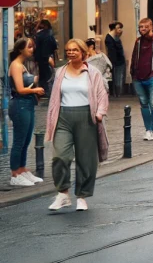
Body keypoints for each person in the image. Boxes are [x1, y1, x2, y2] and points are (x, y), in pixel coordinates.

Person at [45, 39, 109, 212]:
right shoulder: (60, 72)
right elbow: (54, 97)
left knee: (86, 159)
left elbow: (102, 95)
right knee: (60, 156)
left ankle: (82, 196)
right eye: (68, 50)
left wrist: (100, 113)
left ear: (83, 53)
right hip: (63, 117)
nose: (71, 53)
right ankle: (63, 194)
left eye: (75, 50)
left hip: (86, 117)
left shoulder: (92, 72)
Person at [8, 38, 46, 187]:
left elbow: (30, 81)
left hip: (28, 104)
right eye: (29, 47)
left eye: (32, 46)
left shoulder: (23, 65)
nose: (32, 49)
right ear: (20, 49)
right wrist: (35, 90)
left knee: (26, 139)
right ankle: (14, 173)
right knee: (19, 140)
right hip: (19, 104)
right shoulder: (16, 65)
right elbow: (20, 89)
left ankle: (22, 169)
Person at [33, 19, 58, 92]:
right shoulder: (50, 34)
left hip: (40, 60)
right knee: (49, 77)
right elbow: (54, 46)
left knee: (43, 78)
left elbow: (37, 49)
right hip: (48, 58)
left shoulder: (37, 35)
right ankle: (49, 93)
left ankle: (43, 92)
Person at [105, 21, 126, 95]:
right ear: (113, 29)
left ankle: (118, 93)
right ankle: (117, 94)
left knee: (119, 78)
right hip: (115, 62)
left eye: (121, 28)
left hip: (119, 61)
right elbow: (112, 51)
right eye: (118, 28)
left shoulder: (116, 37)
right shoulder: (109, 38)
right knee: (117, 78)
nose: (120, 29)